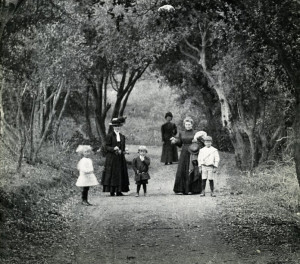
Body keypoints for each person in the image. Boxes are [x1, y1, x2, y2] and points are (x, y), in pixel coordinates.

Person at [170, 117, 206, 194]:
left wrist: (197, 142)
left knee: (193, 169)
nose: (188, 126)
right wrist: (175, 141)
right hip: (184, 152)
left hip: (193, 152)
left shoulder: (196, 132)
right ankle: (180, 189)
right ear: (184, 125)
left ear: (192, 124)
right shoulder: (181, 133)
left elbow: (202, 142)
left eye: (189, 124)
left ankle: (193, 189)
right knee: (182, 169)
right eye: (186, 124)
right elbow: (180, 144)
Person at [101, 117, 130, 196]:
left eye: (118, 126)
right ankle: (112, 191)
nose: (117, 127)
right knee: (112, 174)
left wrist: (124, 151)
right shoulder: (109, 136)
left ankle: (119, 191)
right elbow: (106, 147)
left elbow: (122, 148)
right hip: (111, 158)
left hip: (120, 158)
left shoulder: (122, 136)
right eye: (115, 126)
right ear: (113, 127)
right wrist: (113, 148)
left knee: (120, 173)